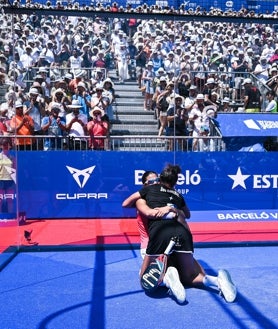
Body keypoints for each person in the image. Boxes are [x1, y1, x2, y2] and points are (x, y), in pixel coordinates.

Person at [122, 164, 237, 304]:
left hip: (159, 238)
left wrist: (170, 209)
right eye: (152, 182)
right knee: (188, 276)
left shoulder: (166, 195)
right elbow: (142, 210)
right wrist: (171, 209)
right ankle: (214, 280)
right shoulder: (143, 198)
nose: (155, 183)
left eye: (157, 179)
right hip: (161, 239)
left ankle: (169, 280)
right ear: (144, 184)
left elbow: (182, 216)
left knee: (146, 279)